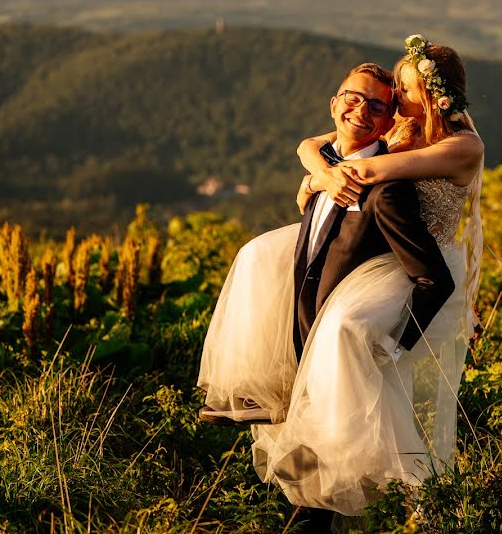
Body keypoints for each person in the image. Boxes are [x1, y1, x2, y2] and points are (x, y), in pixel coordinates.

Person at [197, 35, 485, 525]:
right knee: (260, 260)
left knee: (346, 338)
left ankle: (389, 489)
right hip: (373, 243)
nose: (396, 100)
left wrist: (322, 176)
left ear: (438, 97)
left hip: (411, 263)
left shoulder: (460, 146)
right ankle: (308, 469)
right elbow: (312, 143)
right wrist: (316, 167)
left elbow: (371, 168)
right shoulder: (403, 127)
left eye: (407, 92)